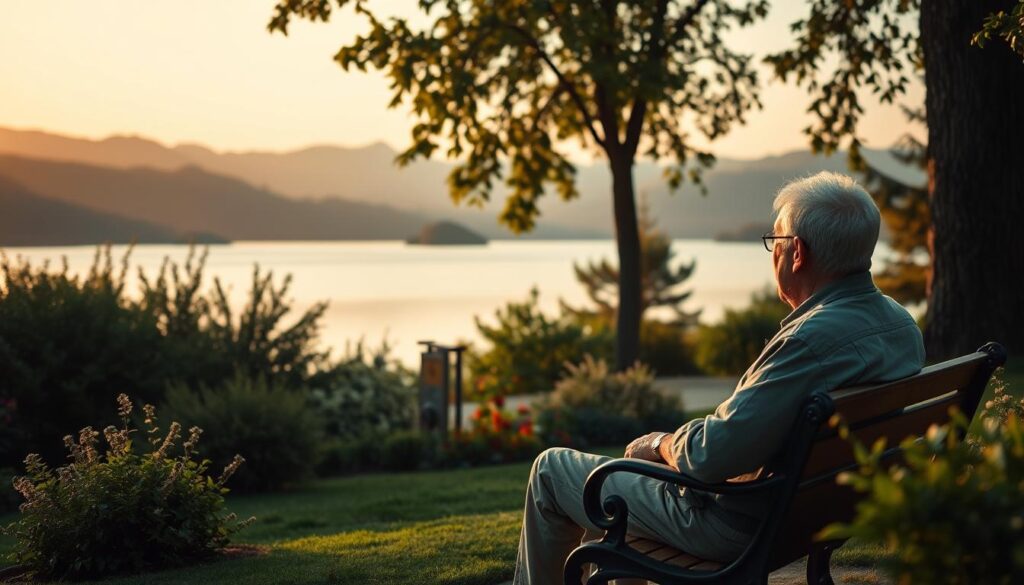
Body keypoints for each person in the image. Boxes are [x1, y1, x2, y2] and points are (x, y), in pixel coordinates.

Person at [512, 171, 926, 585]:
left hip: (734, 525)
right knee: (625, 485)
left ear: (797, 253)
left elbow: (711, 456)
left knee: (551, 471)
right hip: (818, 510)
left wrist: (661, 443)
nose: (773, 254)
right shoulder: (900, 325)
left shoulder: (807, 343)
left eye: (775, 242)